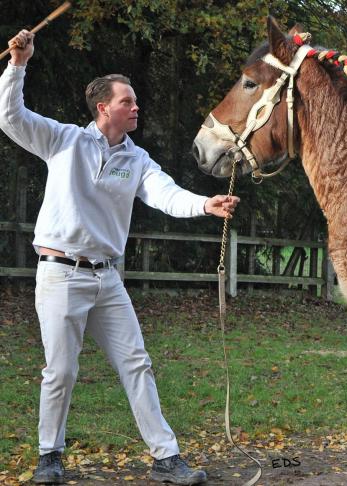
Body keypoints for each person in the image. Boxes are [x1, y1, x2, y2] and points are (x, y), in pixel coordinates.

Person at [1, 29, 240, 485]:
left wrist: (204, 204)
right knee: (61, 371)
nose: (136, 106)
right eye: (127, 101)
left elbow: (165, 193)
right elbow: (11, 117)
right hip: (60, 274)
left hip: (107, 280)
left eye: (135, 101)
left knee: (137, 364)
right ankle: (49, 457)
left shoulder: (138, 159)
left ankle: (166, 459)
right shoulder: (63, 140)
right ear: (103, 108)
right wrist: (18, 65)